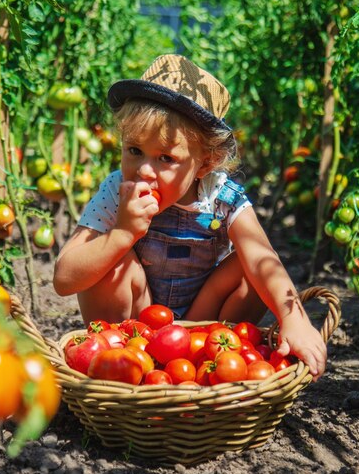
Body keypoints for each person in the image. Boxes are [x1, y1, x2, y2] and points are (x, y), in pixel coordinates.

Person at [53, 54, 327, 380]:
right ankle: (116, 364)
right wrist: (122, 234)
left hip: (204, 327)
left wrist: (293, 318)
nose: (143, 170)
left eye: (165, 158)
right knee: (112, 259)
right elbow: (64, 279)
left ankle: (220, 366)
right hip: (134, 329)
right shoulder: (117, 191)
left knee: (249, 267)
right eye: (134, 150)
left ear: (205, 163)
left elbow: (263, 259)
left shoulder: (222, 197)